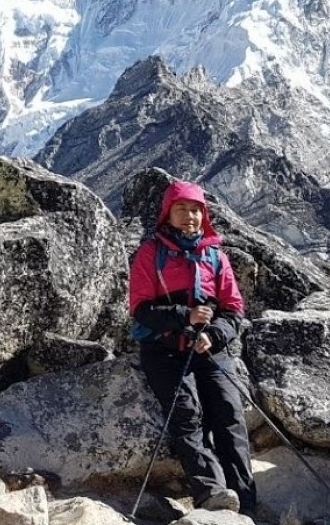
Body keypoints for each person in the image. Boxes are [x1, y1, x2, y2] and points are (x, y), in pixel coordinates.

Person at [129, 179, 256, 515]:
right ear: (167, 215)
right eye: (181, 209)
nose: (190, 216)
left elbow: (233, 310)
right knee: (187, 416)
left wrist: (213, 334)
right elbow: (140, 308)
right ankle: (212, 494)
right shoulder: (148, 254)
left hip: (209, 348)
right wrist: (184, 315)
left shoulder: (215, 257)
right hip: (164, 349)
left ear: (205, 215)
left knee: (229, 415)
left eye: (196, 210)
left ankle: (246, 502)